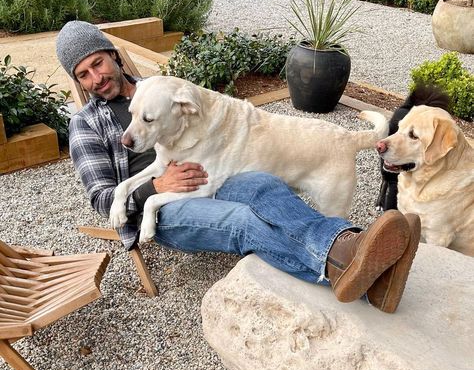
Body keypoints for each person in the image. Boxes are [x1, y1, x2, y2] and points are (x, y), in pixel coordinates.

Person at [57, 21, 421, 313]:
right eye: (84, 74)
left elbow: (214, 126)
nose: (96, 77)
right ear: (79, 82)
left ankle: (352, 247)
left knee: (264, 185)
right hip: (164, 211)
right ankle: (354, 272)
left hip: (208, 176)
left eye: (97, 63)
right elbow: (102, 201)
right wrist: (157, 187)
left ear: (112, 55)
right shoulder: (85, 125)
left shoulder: (159, 89)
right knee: (243, 221)